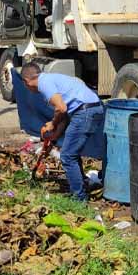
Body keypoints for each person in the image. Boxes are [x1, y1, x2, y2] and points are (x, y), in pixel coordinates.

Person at [21, 62, 105, 201]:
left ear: (26, 81)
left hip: (85, 112)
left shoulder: (44, 84)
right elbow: (65, 116)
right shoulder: (51, 79)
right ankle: (81, 185)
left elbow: (61, 108)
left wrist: (52, 123)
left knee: (67, 156)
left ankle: (79, 198)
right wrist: (54, 137)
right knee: (71, 152)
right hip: (91, 109)